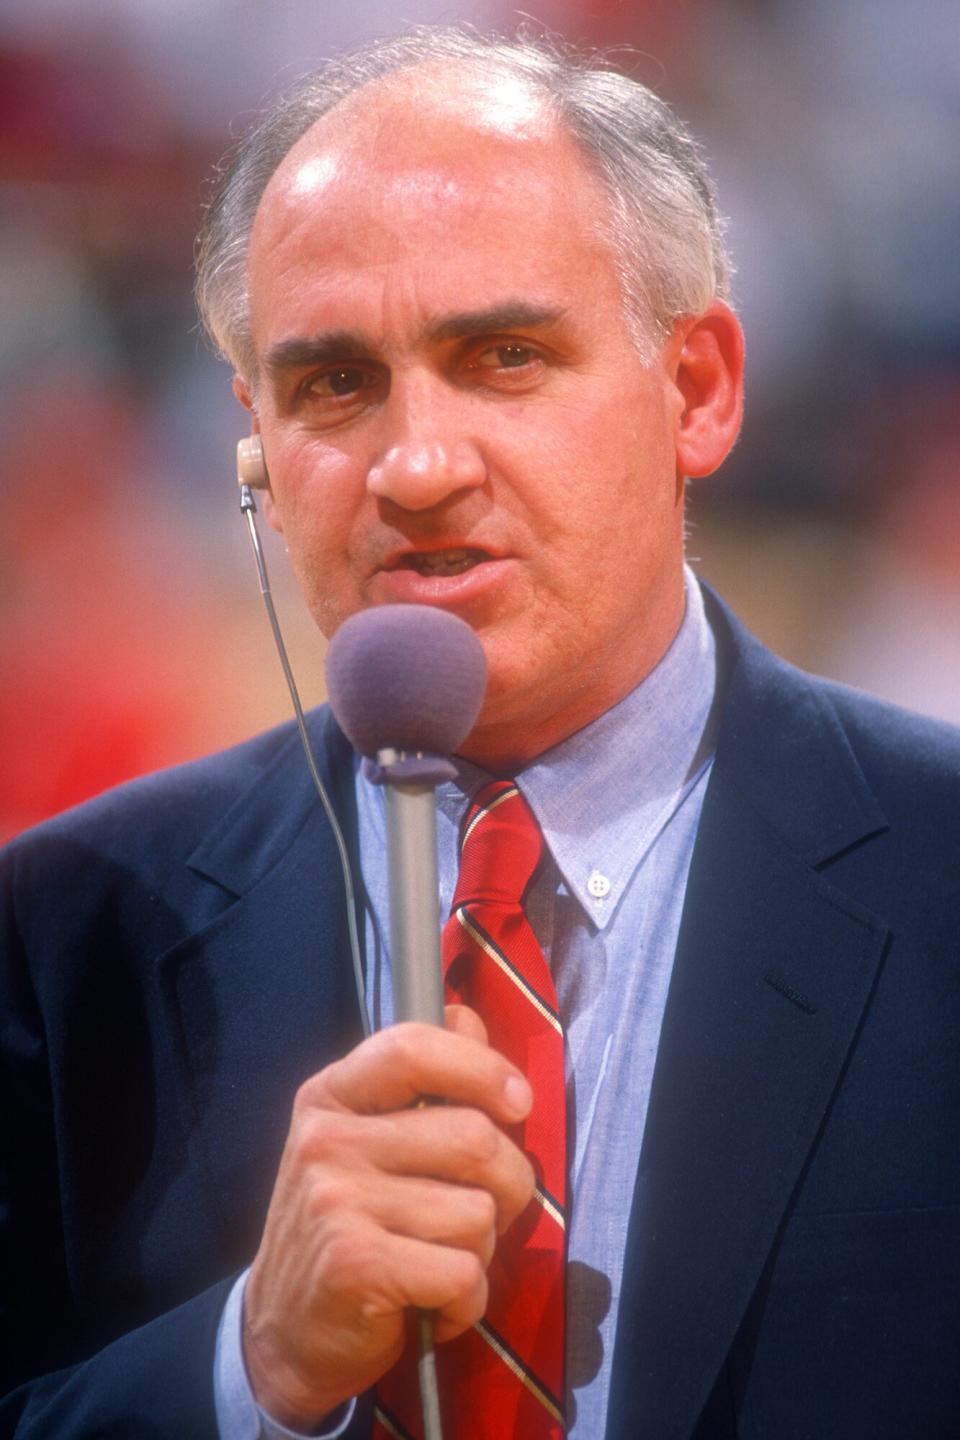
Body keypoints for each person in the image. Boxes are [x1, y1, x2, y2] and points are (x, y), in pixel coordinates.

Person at [2, 26, 959, 1440]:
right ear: (254, 450)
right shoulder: (64, 929)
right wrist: (245, 1373)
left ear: (696, 389)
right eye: (334, 384)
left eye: (504, 355)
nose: (418, 466)